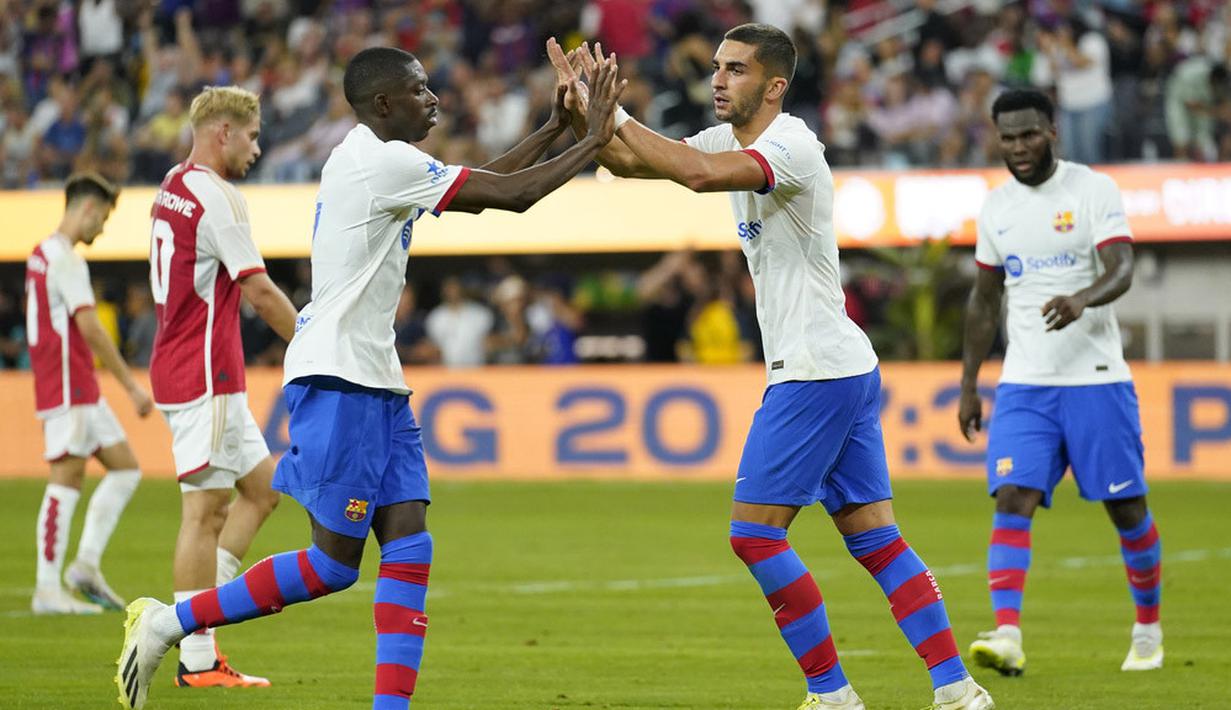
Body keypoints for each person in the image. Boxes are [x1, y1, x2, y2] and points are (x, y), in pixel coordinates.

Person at [116, 45, 625, 710]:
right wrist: (595, 138)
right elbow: (512, 196)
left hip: (376, 380)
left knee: (410, 545)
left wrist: (559, 129)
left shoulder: (380, 157)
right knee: (331, 567)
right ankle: (167, 623)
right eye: (419, 89)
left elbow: (485, 179)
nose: (434, 98)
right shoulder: (378, 160)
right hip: (338, 377)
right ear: (383, 104)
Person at [550, 25, 992, 710]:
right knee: (875, 539)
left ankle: (831, 692)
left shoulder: (791, 145)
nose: (717, 79)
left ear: (774, 85)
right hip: (838, 364)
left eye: (734, 69)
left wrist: (612, 112)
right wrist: (586, 105)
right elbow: (637, 162)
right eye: (716, 67)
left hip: (813, 369)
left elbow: (692, 175)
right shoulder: (728, 139)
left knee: (753, 534)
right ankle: (956, 688)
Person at [958, 89, 1162, 676]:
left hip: (1096, 380)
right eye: (1008, 137)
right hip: (1024, 383)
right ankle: (1007, 634)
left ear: (1054, 132)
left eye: (1029, 134)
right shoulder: (996, 208)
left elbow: (1121, 267)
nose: (1019, 147)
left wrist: (1082, 298)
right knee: (1012, 496)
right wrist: (971, 382)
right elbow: (983, 299)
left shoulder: (1091, 190)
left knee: (1127, 509)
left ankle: (1148, 627)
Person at [142, 86, 301, 690]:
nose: (258, 149)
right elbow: (258, 291)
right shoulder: (217, 196)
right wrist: (312, 348)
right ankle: (196, 655)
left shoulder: (172, 185)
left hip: (207, 370)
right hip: (201, 373)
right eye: (253, 135)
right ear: (223, 133)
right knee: (205, 510)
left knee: (262, 493)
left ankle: (199, 615)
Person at [25, 172, 152, 615]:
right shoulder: (67, 261)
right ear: (88, 209)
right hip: (69, 383)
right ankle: (47, 589)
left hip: (69, 381)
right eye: (103, 219)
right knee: (66, 480)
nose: (102, 229)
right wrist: (133, 386)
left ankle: (85, 566)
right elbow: (90, 327)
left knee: (125, 469)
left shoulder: (41, 254)